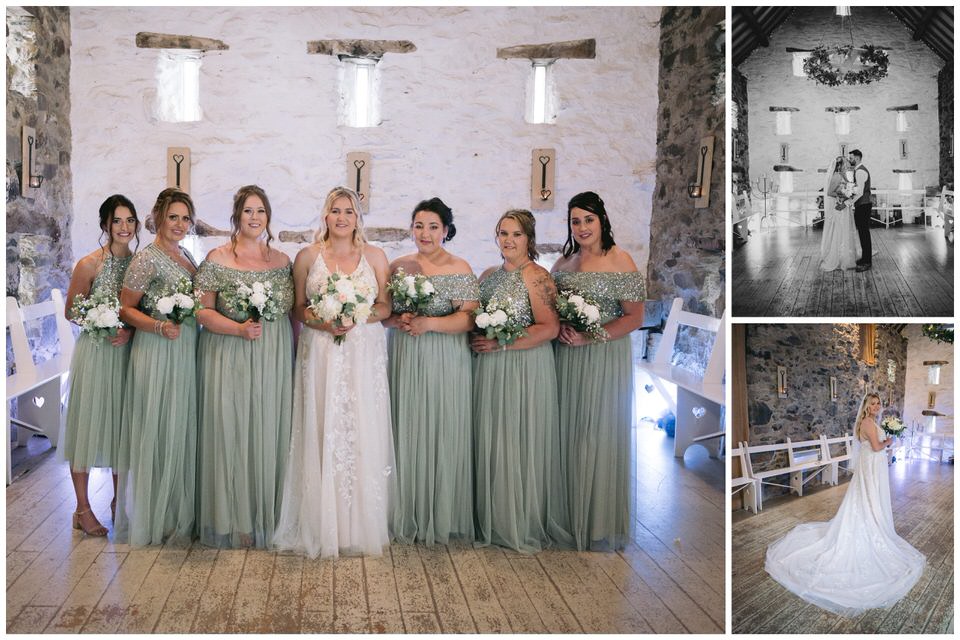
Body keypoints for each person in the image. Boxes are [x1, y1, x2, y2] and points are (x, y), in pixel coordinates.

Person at [273, 186, 395, 558]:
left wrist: (355, 316)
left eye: (349, 211)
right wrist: (326, 323)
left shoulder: (375, 255)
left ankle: (357, 524)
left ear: (358, 218)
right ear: (325, 216)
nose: (342, 218)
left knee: (359, 430)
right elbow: (297, 308)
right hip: (321, 350)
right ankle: (318, 520)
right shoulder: (308, 256)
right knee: (322, 426)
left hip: (362, 351)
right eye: (335, 211)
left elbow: (385, 306)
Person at [195, 185, 294, 548]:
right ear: (236, 216)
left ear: (268, 217)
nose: (255, 218)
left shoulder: (282, 261)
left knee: (268, 430)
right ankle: (235, 518)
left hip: (274, 355)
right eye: (248, 211)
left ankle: (268, 512)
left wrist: (296, 354)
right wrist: (237, 328)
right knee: (233, 429)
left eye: (261, 211)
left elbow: (292, 314)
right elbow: (202, 311)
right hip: (229, 353)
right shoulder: (217, 258)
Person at [765, 393, 926, 616]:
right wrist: (891, 440)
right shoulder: (868, 423)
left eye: (878, 403)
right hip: (870, 467)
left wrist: (887, 435)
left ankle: (874, 520)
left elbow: (873, 446)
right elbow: (878, 448)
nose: (877, 406)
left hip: (871, 466)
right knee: (869, 499)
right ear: (867, 407)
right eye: (873, 404)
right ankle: (872, 525)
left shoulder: (869, 421)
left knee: (868, 499)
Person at [471, 209, 573, 552]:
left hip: (524, 368)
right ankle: (493, 515)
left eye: (516, 234)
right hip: (490, 370)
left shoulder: (538, 276)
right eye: (503, 233)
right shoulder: (487, 276)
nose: (508, 240)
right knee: (494, 439)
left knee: (518, 439)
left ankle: (521, 518)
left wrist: (502, 343)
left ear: (528, 238)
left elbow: (549, 328)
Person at [551, 191, 645, 550]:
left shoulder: (621, 260)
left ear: (602, 220)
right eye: (575, 221)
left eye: (588, 219)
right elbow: (552, 309)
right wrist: (560, 327)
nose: (582, 227)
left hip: (604, 355)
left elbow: (635, 317)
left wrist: (591, 338)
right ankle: (565, 513)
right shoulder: (564, 264)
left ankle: (596, 522)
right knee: (567, 433)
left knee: (597, 432)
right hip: (566, 356)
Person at [384, 197, 478, 545]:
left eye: (433, 227)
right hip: (407, 357)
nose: (425, 233)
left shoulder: (459, 267)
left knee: (442, 426)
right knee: (407, 427)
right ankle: (405, 510)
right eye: (419, 225)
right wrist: (399, 319)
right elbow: (384, 315)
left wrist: (431, 324)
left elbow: (469, 317)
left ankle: (441, 513)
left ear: (446, 231)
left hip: (445, 358)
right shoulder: (398, 267)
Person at [115, 188, 199, 545]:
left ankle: (179, 511)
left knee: (180, 427)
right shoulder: (146, 259)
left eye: (185, 218)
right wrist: (158, 326)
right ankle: (156, 514)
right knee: (159, 427)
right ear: (159, 218)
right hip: (156, 350)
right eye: (173, 217)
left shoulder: (186, 255)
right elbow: (125, 308)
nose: (179, 224)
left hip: (184, 349)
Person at [61, 195, 139, 536]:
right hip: (96, 353)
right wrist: (103, 322)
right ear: (105, 224)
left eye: (130, 220)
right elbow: (71, 311)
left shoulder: (139, 264)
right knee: (88, 425)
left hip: (126, 355)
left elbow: (142, 309)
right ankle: (82, 508)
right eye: (117, 220)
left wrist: (130, 329)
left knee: (122, 426)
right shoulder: (90, 264)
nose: (124, 227)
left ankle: (117, 502)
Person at [820, 156, 861, 271]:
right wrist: (843, 194)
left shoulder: (843, 175)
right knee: (839, 231)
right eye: (845, 164)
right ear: (840, 166)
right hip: (839, 207)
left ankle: (845, 256)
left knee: (845, 231)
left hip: (844, 207)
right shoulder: (837, 175)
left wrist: (850, 192)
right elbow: (830, 192)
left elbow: (847, 188)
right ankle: (836, 257)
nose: (847, 166)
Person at [848, 149, 874, 272]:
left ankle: (867, 262)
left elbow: (859, 193)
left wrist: (848, 203)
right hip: (861, 205)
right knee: (862, 233)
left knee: (864, 234)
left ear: (857, 158)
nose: (850, 160)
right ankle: (864, 258)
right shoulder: (858, 170)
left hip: (863, 205)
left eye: (851, 158)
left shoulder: (860, 171)